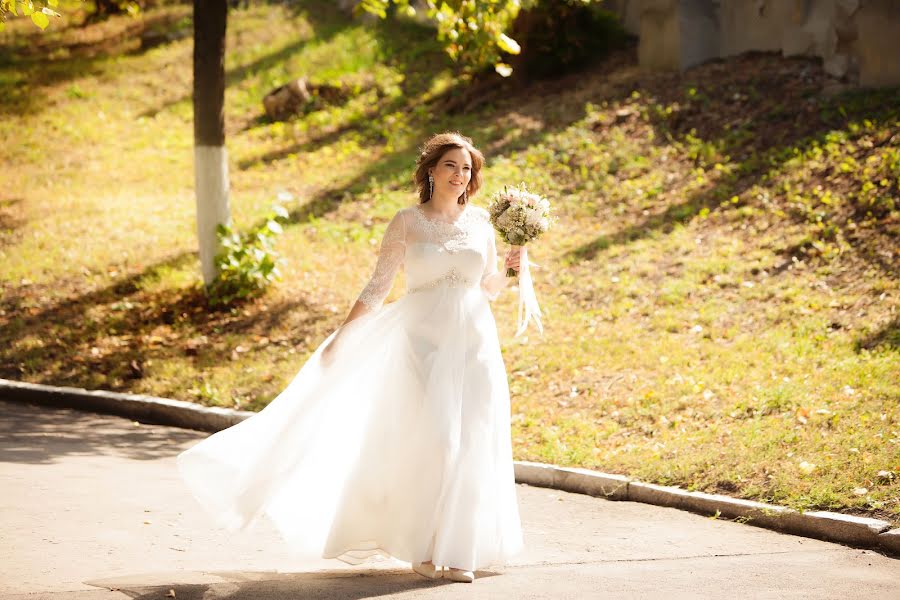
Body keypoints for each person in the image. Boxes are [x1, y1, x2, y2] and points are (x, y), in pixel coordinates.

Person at [176, 131, 525, 584]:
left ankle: (458, 549)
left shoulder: (481, 224)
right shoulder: (406, 222)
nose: (460, 175)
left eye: (467, 169)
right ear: (431, 171)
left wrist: (510, 271)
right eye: (451, 166)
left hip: (475, 343)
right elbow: (377, 288)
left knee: (474, 440)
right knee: (438, 441)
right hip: (422, 344)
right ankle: (422, 547)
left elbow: (486, 288)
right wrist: (343, 337)